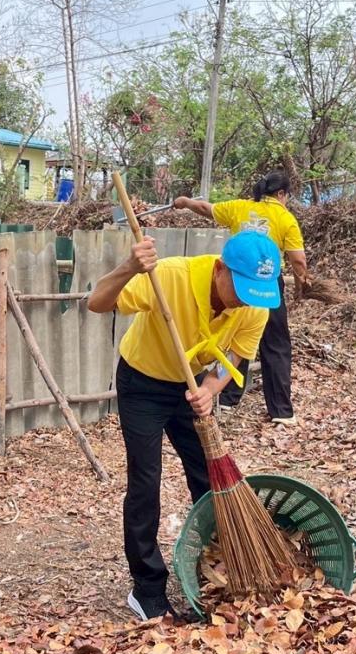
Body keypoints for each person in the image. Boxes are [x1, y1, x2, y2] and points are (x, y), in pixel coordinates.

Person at [87, 230, 280, 621]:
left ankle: (221, 562)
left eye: (254, 293)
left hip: (189, 385)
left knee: (208, 476)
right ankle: (147, 589)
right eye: (240, 288)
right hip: (142, 382)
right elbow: (96, 302)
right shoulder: (170, 277)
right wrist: (129, 267)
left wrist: (211, 388)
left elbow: (238, 354)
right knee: (146, 481)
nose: (245, 300)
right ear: (220, 269)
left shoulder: (255, 304)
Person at [173, 171, 310, 425]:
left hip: (234, 281)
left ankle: (227, 399)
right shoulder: (284, 217)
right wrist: (304, 281)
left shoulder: (239, 207)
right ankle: (281, 411)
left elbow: (205, 207)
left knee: (237, 337)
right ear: (281, 194)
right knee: (275, 344)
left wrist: (185, 202)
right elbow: (298, 258)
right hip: (267, 282)